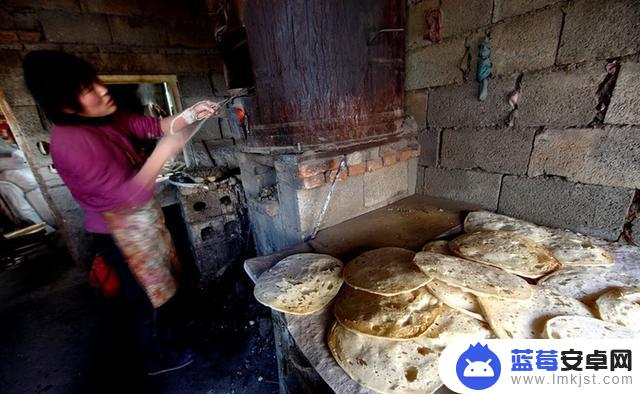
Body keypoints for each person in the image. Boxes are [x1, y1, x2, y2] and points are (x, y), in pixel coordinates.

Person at [22, 50, 221, 376]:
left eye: (95, 81)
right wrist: (163, 154)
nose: (102, 90)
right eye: (89, 89)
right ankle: (158, 359)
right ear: (66, 106)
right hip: (118, 231)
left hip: (141, 221)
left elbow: (148, 124)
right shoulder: (72, 143)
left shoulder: (100, 116)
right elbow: (125, 196)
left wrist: (189, 115)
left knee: (163, 285)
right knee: (144, 299)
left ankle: (172, 333)